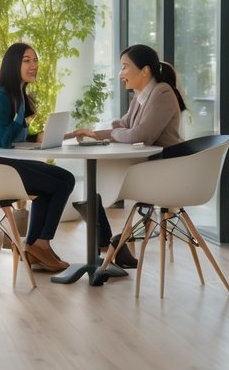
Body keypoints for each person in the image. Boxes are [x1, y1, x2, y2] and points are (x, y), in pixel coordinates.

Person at [73, 44, 186, 268]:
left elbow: (141, 135)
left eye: (125, 67)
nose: (120, 73)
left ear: (144, 71)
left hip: (167, 172)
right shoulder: (141, 97)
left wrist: (118, 131)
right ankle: (112, 246)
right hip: (148, 167)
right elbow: (124, 126)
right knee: (93, 193)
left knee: (96, 191)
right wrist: (95, 134)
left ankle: (111, 246)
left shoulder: (162, 92)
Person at [0, 43, 75, 273]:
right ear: (13, 64)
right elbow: (6, 139)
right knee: (63, 181)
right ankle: (41, 245)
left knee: (63, 179)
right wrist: (22, 117)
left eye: (35, 60)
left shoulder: (16, 94)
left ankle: (34, 247)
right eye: (27, 60)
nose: (34, 65)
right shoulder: (1, 96)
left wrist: (61, 135)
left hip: (6, 164)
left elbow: (18, 136)